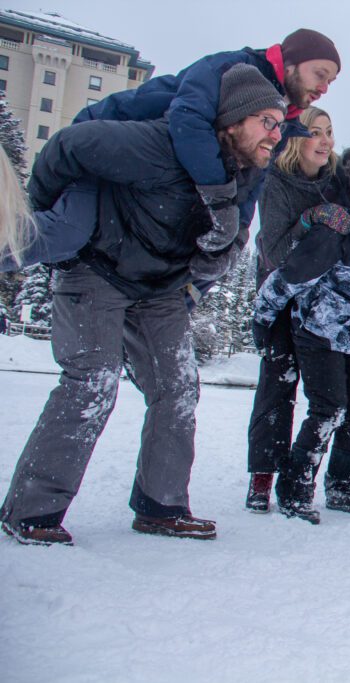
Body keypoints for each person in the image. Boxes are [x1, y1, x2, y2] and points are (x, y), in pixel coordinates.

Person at [0, 64, 285, 545]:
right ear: (232, 120)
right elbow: (68, 146)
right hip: (98, 270)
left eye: (280, 125)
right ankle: (31, 511)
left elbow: (233, 242)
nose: (276, 135)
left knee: (179, 389)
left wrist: (215, 253)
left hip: (160, 290)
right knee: (93, 382)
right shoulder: (156, 146)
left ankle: (161, 506)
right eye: (266, 122)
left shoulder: (243, 177)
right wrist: (58, 218)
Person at [1, 30, 343, 276]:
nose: (325, 87)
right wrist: (220, 200)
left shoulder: (280, 121)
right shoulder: (231, 69)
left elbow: (251, 185)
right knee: (66, 234)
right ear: (291, 61)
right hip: (105, 152)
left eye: (332, 82)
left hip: (144, 183)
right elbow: (189, 121)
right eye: (320, 74)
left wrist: (234, 239)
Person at [251, 145, 350, 523]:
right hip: (320, 334)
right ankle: (294, 488)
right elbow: (286, 279)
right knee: (329, 410)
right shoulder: (334, 235)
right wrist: (262, 321)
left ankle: (343, 486)